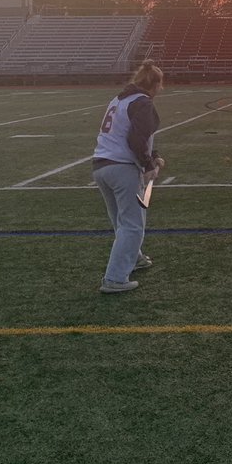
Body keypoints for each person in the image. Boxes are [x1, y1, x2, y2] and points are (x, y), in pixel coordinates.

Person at [92, 60, 166, 293]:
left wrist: (152, 156)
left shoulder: (120, 99)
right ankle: (114, 278)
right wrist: (147, 166)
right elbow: (135, 139)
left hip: (101, 166)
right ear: (155, 84)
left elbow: (134, 135)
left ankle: (134, 258)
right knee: (133, 225)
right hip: (123, 168)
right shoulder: (143, 103)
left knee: (121, 222)